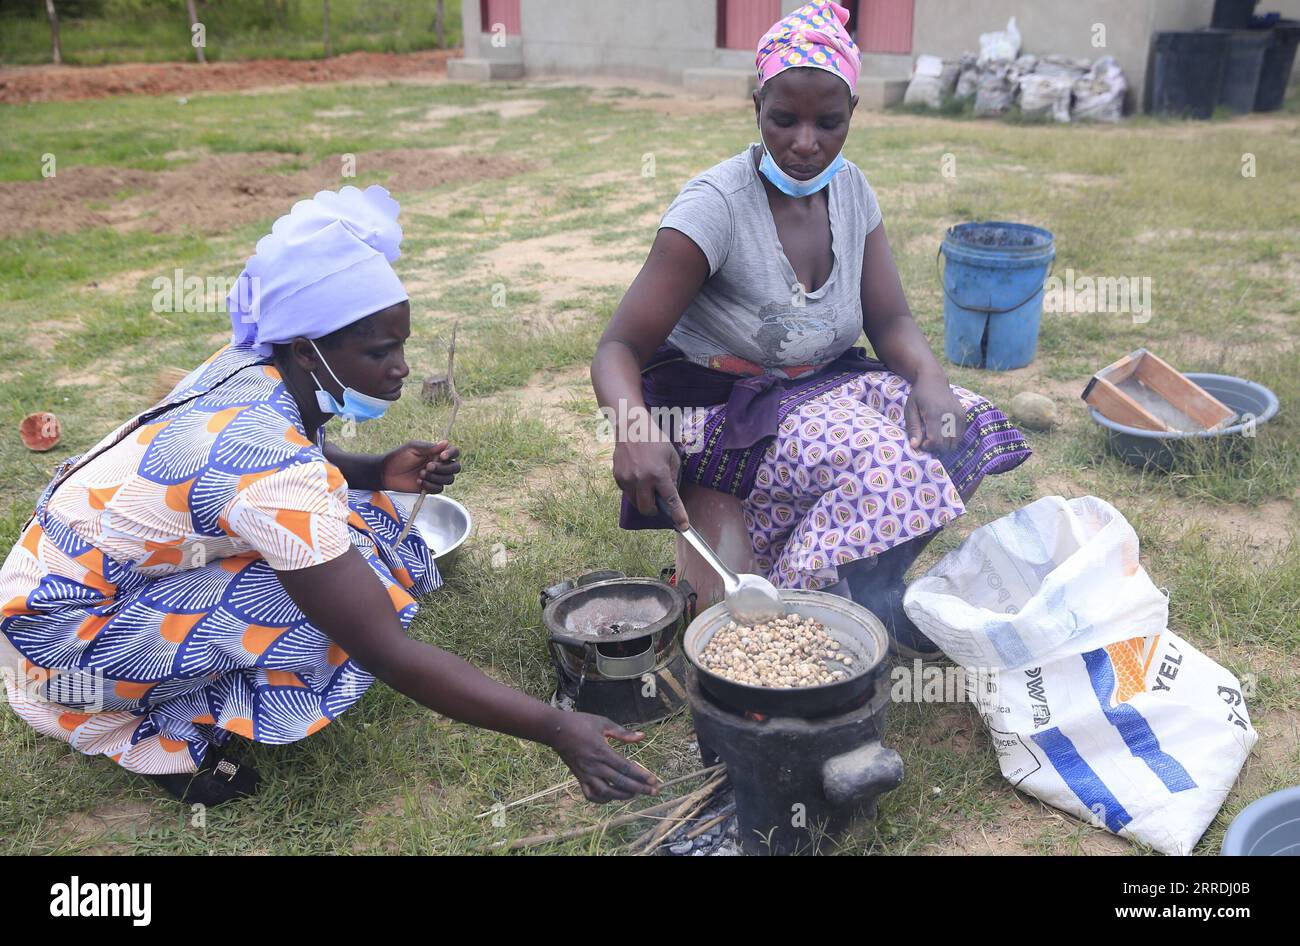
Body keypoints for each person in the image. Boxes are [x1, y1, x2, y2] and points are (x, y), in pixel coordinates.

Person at [0, 185, 658, 806]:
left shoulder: (251, 364)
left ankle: (178, 679)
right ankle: (157, 740)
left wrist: (377, 469)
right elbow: (384, 650)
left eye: (401, 344)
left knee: (372, 526)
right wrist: (557, 728)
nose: (400, 367)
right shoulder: (269, 466)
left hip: (66, 586)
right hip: (52, 640)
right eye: (380, 351)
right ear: (309, 352)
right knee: (329, 613)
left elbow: (288, 459)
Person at [591, 1, 1030, 657]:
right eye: (783, 119)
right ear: (756, 107)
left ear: (853, 112)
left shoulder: (852, 192)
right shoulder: (715, 206)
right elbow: (618, 347)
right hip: (720, 410)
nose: (804, 142)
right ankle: (791, 619)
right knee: (885, 464)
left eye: (828, 122)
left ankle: (861, 589)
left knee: (957, 427)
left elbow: (891, 320)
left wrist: (931, 379)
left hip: (819, 385)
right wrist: (631, 431)